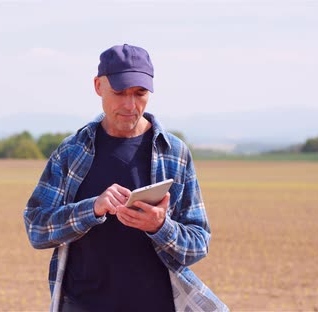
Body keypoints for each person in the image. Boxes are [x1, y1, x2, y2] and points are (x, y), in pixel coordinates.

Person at [23, 44, 228, 312]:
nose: (130, 105)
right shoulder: (70, 152)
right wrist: (92, 208)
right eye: (119, 92)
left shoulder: (175, 153)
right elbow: (37, 230)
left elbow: (198, 245)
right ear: (98, 86)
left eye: (140, 93)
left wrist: (160, 226)